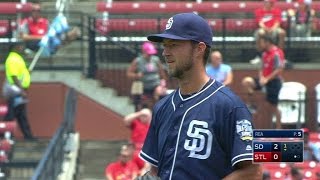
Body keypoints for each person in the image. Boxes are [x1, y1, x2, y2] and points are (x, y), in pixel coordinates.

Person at [138, 13, 262, 179]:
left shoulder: (231, 107)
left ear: (199, 49)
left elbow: (253, 172)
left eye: (173, 44)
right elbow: (155, 170)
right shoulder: (162, 107)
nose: (165, 53)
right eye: (165, 45)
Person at [242, 35, 285, 129]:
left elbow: (279, 69)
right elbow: (262, 68)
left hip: (274, 81)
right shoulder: (264, 54)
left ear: (267, 42)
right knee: (247, 82)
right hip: (263, 80)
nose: (260, 45)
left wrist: (267, 79)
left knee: (272, 106)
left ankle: (279, 128)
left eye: (261, 42)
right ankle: (252, 105)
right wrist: (261, 78)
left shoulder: (277, 53)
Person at [3, 42, 35, 140]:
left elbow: (20, 73)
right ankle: (6, 136)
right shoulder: (12, 59)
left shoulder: (17, 58)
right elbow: (14, 76)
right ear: (15, 47)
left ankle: (28, 136)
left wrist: (27, 72)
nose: (22, 48)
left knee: (20, 115)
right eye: (21, 46)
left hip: (18, 90)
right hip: (15, 90)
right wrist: (21, 91)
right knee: (12, 115)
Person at [127, 42, 167, 110]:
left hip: (155, 84)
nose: (150, 55)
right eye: (148, 54)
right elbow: (129, 74)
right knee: (138, 97)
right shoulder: (138, 61)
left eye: (151, 54)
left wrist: (163, 81)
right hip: (143, 86)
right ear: (144, 52)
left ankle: (158, 111)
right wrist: (136, 75)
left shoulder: (156, 60)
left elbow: (162, 72)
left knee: (161, 93)